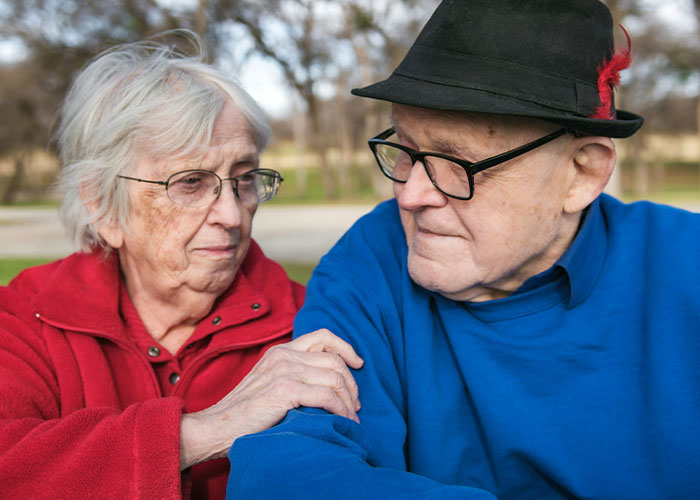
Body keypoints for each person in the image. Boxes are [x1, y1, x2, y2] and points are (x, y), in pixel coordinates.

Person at [226, 1, 700, 498]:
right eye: (405, 150)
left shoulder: (684, 265)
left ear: (581, 173)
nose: (410, 195)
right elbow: (287, 472)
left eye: (459, 165)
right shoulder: (374, 259)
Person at [0, 31, 363, 499]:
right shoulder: (27, 318)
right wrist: (204, 432)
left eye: (245, 178)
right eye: (191, 182)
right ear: (101, 206)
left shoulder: (307, 327)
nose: (232, 215)